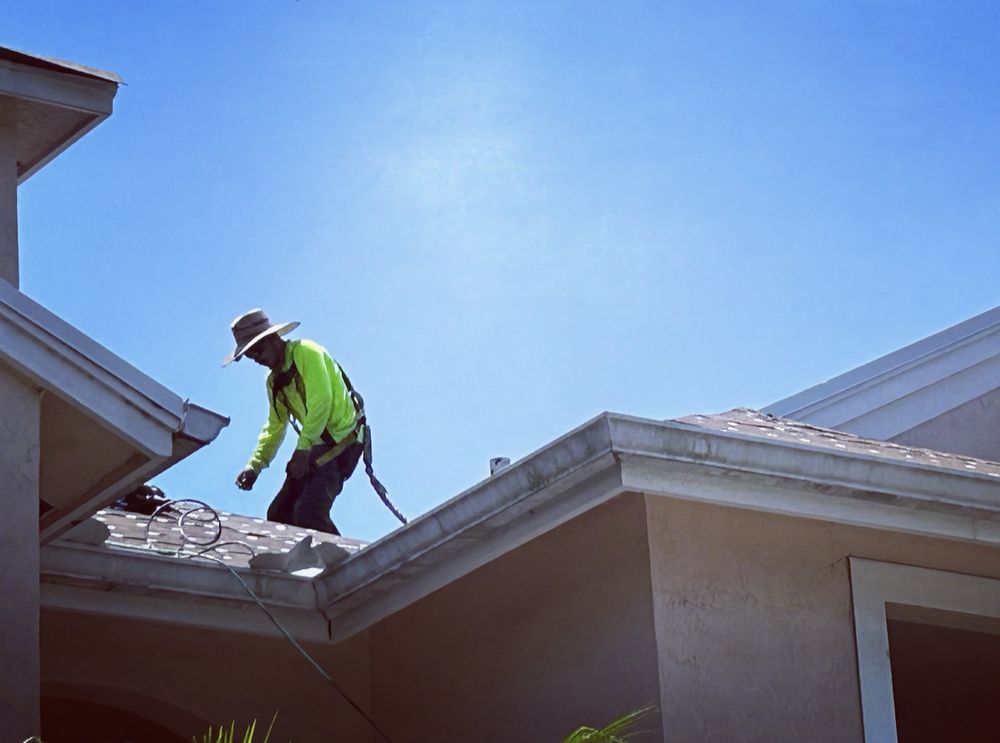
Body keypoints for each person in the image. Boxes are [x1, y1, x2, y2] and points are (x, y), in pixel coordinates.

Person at [225, 308, 363, 535]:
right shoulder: (274, 383)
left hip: (345, 440)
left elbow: (322, 400)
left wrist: (304, 448)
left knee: (309, 513)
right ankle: (298, 564)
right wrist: (255, 465)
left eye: (258, 350)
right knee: (279, 514)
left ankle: (342, 561)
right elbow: (275, 427)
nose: (257, 359)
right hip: (315, 447)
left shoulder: (307, 352)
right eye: (251, 356)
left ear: (272, 338)